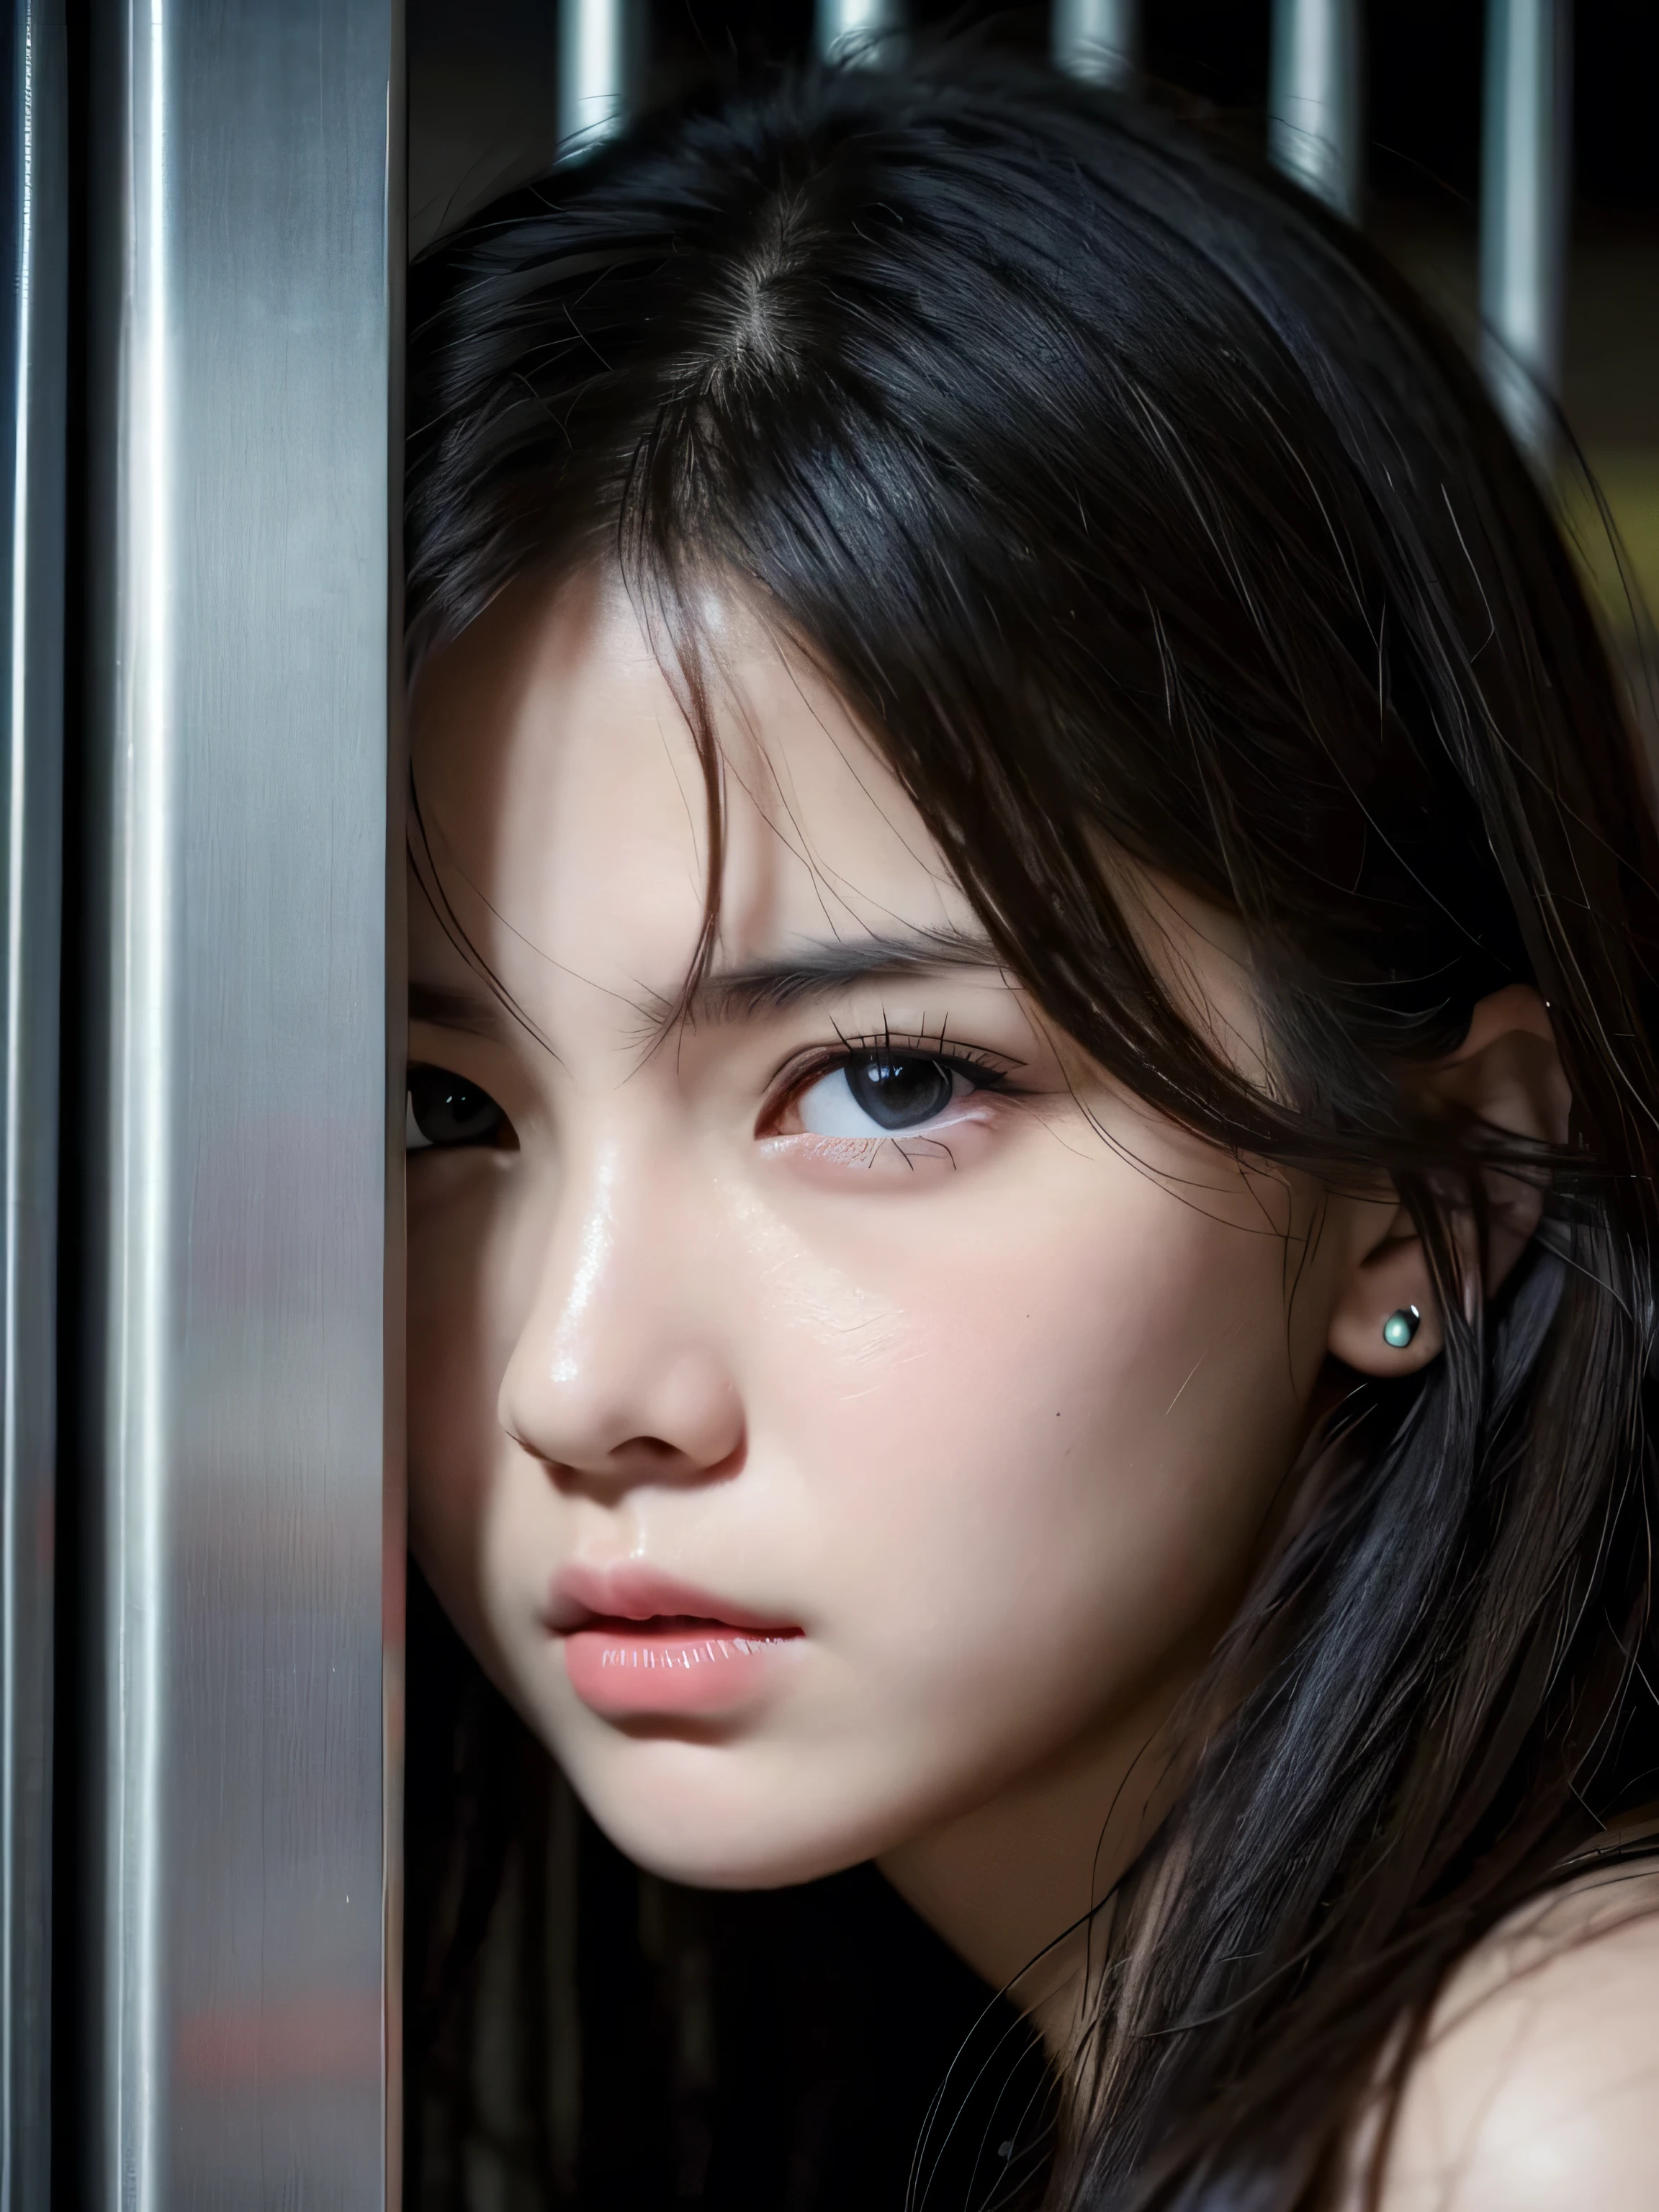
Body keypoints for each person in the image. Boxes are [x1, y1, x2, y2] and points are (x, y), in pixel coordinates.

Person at [400, 60, 1659, 2210]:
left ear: (1424, 1206)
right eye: (448, 1107)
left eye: (890, 1084)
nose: (580, 1382)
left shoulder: (1552, 2118)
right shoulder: (1002, 2085)